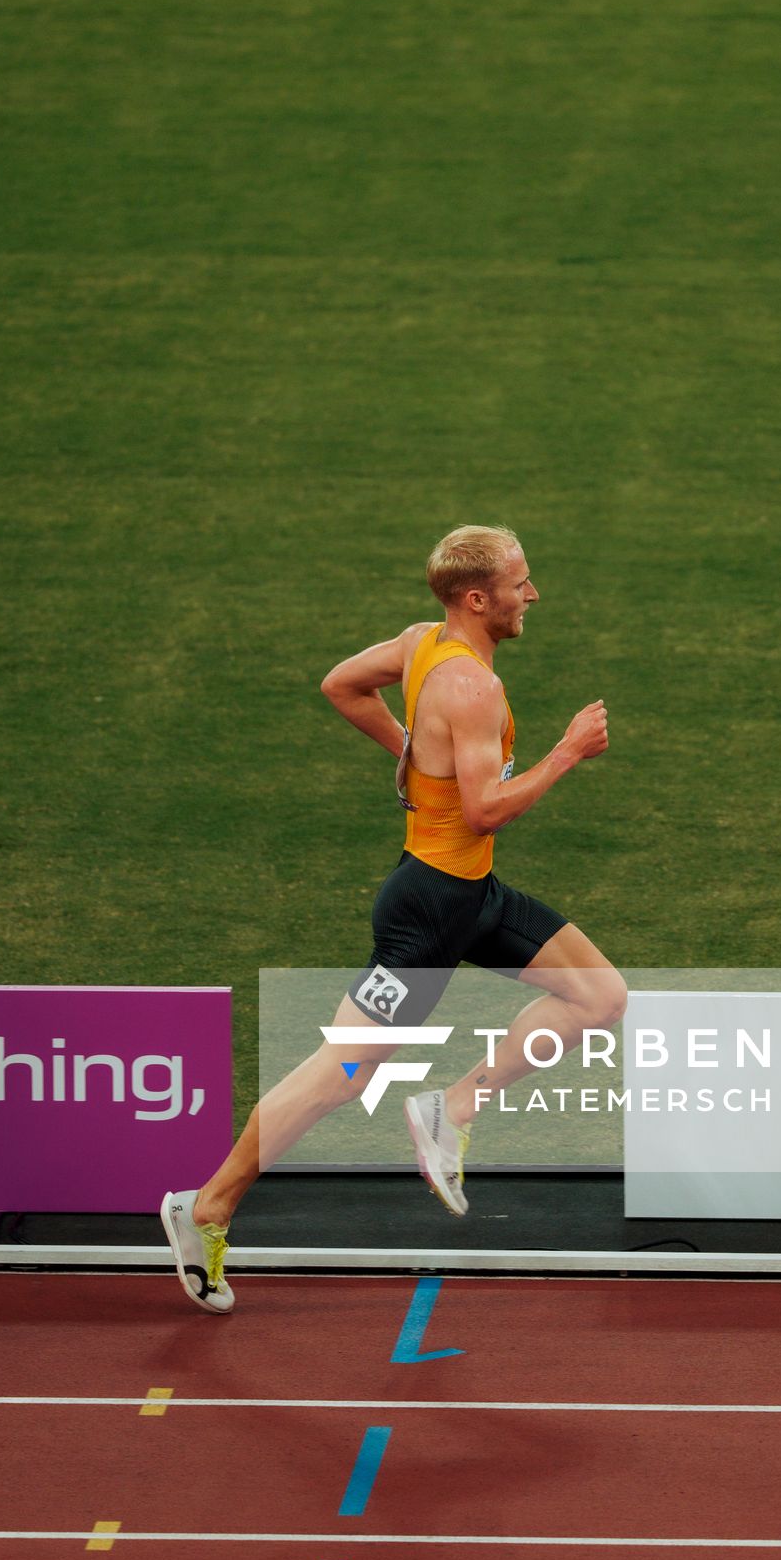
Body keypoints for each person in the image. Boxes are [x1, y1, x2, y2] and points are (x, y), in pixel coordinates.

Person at [161, 525, 626, 1312]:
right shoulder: (473, 689)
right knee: (339, 1074)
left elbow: (341, 684)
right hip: (427, 915)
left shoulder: (422, 645)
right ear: (477, 599)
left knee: (601, 996)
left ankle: (452, 1106)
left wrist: (409, 750)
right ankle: (206, 1206)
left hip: (472, 896)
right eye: (521, 582)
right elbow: (483, 811)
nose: (532, 594)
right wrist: (567, 752)